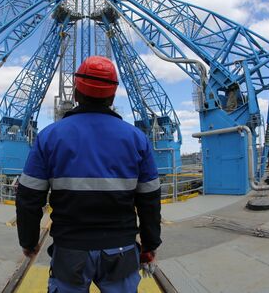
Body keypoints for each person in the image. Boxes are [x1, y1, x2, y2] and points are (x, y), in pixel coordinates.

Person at [16, 56, 162, 292]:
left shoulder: (50, 136)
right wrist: (150, 243)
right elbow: (149, 199)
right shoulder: (137, 139)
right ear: (113, 96)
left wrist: (29, 241)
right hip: (122, 250)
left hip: (70, 250)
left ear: (76, 93)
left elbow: (29, 197)